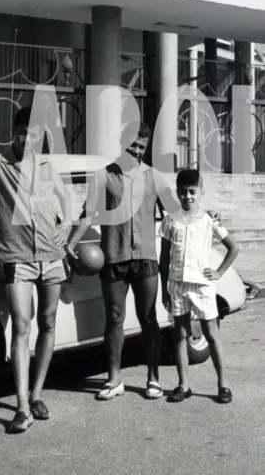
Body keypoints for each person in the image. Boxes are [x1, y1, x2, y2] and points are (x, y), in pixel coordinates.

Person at [66, 122, 221, 402]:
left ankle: (153, 377)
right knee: (114, 319)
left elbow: (178, 212)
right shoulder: (103, 175)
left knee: (149, 319)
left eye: (141, 147)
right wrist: (71, 242)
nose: (136, 151)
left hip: (146, 258)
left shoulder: (155, 177)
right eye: (132, 145)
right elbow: (87, 214)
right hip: (113, 257)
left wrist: (206, 213)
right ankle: (114, 379)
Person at [0, 106, 72, 433]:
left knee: (48, 321)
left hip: (51, 254)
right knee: (21, 324)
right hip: (17, 256)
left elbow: (68, 204)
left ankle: (36, 394)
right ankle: (21, 407)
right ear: (14, 131)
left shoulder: (49, 165)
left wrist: (67, 228)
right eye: (22, 132)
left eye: (33, 133)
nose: (27, 138)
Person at [159, 168, 239, 404]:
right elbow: (164, 258)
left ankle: (223, 385)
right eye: (183, 192)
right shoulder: (169, 221)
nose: (187, 197)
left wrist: (219, 272)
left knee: (211, 333)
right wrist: (165, 288)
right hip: (177, 285)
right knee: (180, 334)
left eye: (192, 191)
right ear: (177, 193)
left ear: (200, 192)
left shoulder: (208, 220)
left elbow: (233, 247)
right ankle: (184, 385)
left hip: (202, 286)